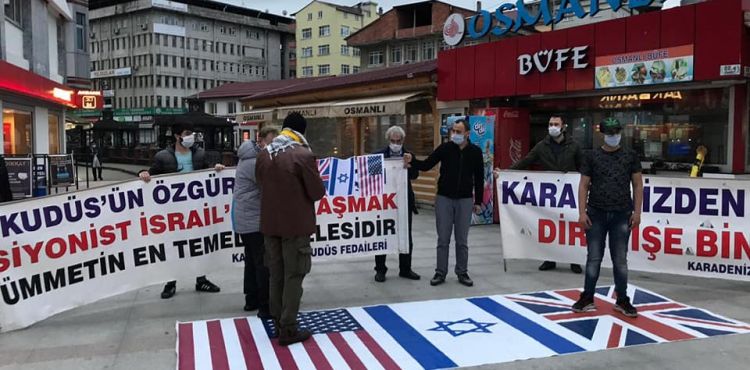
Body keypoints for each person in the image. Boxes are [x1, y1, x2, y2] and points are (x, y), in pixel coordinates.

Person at [256, 113, 325, 346]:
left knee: (276, 274)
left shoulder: (264, 154)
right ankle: (288, 328)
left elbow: (260, 183)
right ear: (301, 131)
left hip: (270, 224)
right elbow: (316, 192)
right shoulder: (302, 154)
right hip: (295, 225)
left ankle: (277, 321)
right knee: (294, 274)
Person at [138, 122, 225, 299]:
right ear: (178, 136)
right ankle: (171, 282)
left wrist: (217, 170)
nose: (190, 137)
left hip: (196, 210)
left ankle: (201, 279)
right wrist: (143, 174)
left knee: (199, 244)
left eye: (192, 133)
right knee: (174, 246)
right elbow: (151, 174)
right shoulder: (163, 156)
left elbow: (208, 174)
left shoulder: (200, 154)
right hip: (173, 212)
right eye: (187, 133)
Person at [573, 117, 643, 318]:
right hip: (596, 213)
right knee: (593, 257)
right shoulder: (591, 156)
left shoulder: (630, 155)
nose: (614, 137)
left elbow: (638, 185)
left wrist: (637, 212)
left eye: (616, 133)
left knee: (620, 259)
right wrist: (582, 212)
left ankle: (622, 299)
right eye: (610, 133)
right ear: (603, 134)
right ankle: (587, 297)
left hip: (622, 214)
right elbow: (583, 185)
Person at [494, 115, 583, 274]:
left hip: (569, 192)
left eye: (556, 124)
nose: (553, 127)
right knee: (550, 225)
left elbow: (583, 167)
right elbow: (526, 161)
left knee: (569, 224)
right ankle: (549, 258)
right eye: (550, 124)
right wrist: (506, 173)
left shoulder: (574, 146)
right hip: (550, 193)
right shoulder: (542, 146)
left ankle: (574, 260)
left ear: (563, 127)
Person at [404, 119, 484, 287]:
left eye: (458, 131)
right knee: (443, 239)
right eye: (453, 131)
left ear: (467, 134)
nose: (454, 134)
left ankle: (462, 272)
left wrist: (478, 201)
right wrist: (412, 160)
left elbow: (479, 178)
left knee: (462, 240)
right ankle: (440, 272)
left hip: (465, 199)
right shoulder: (445, 148)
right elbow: (426, 165)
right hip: (444, 198)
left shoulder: (475, 152)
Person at [233, 126, 279, 318]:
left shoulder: (249, 157)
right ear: (260, 141)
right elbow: (270, 184)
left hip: (246, 218)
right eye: (271, 142)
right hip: (254, 219)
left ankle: (251, 299)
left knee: (252, 260)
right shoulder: (255, 161)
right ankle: (264, 305)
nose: (273, 146)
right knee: (262, 262)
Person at [373, 126, 420, 282]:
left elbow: (415, 175)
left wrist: (409, 166)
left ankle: (405, 269)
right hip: (384, 202)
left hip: (404, 201)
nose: (395, 144)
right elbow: (371, 176)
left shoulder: (408, 155)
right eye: (392, 141)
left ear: (402, 141)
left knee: (406, 236)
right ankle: (380, 270)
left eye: (398, 141)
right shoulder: (378, 155)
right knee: (382, 235)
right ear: (388, 140)